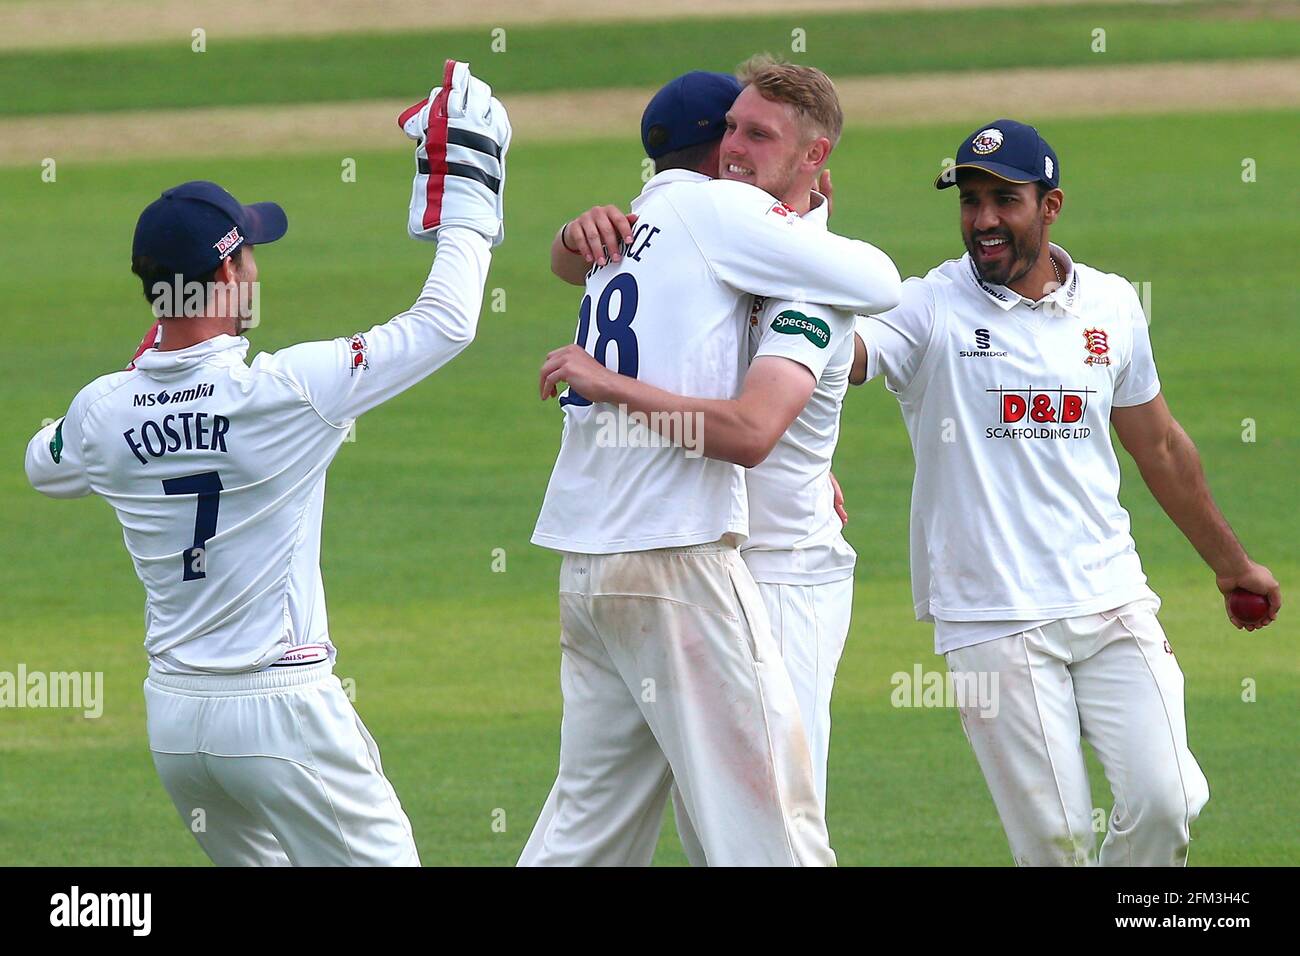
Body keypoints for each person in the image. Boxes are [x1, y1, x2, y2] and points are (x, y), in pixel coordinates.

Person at [23, 61, 511, 866]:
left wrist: (151, 366)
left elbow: (46, 465)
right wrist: (469, 185)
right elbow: (447, 322)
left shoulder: (101, 411)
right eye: (248, 253)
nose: (257, 268)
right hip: (282, 712)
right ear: (223, 273)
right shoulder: (283, 390)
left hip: (177, 724)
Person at [848, 118, 1281, 866]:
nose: (982, 220)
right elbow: (844, 356)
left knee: (1166, 800)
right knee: (1057, 843)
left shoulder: (1110, 305)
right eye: (970, 200)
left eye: (1004, 199)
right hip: (993, 617)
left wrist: (1231, 565)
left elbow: (1163, 447)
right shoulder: (929, 307)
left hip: (1110, 599)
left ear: (1050, 207)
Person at [524, 64, 900, 866]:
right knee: (769, 821)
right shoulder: (722, 220)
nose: (737, 149)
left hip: (629, 561)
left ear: (811, 157)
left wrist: (572, 236)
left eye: (755, 134)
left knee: (590, 827)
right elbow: (879, 284)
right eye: (730, 131)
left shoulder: (644, 235)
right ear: (709, 153)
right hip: (684, 556)